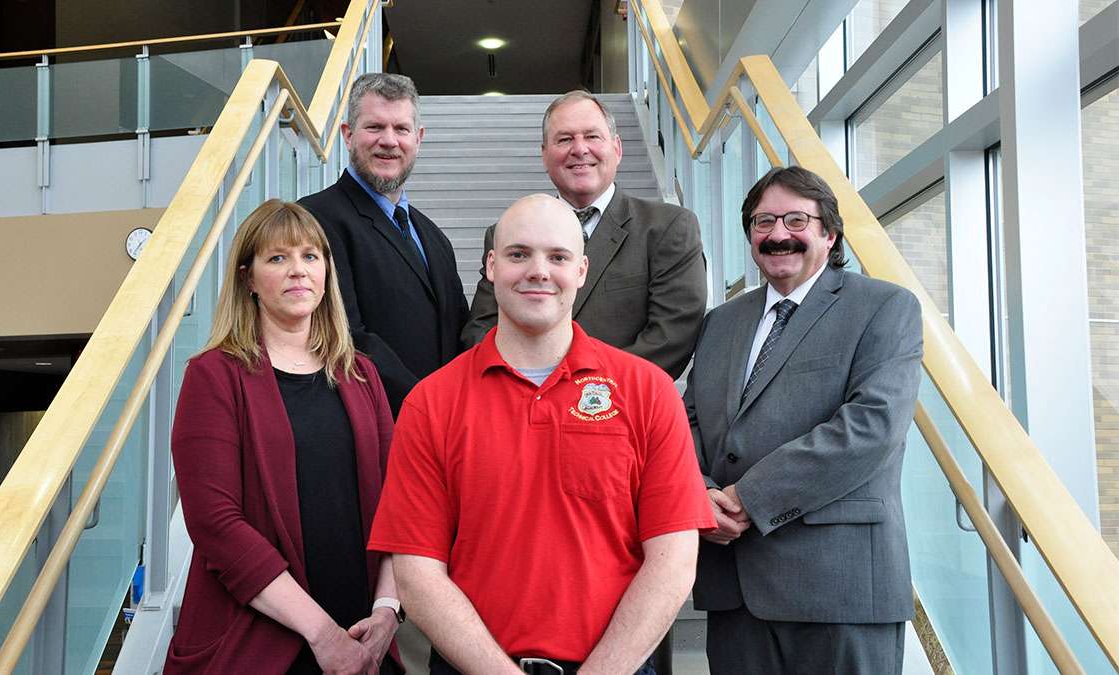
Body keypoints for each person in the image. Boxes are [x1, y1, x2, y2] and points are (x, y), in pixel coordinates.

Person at [368, 194, 715, 675]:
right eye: (518, 254)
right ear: (490, 266)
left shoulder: (646, 391)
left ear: (582, 270)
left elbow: (674, 559)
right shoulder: (431, 403)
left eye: (557, 257)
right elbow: (417, 571)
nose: (538, 271)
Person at [685, 166, 923, 674]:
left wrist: (749, 497)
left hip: (840, 586)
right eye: (763, 221)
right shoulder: (720, 322)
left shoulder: (884, 307)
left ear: (829, 232)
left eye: (796, 220)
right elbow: (686, 426)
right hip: (735, 587)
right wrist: (699, 495)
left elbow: (871, 427)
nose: (777, 235)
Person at [166, 200, 402, 674]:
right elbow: (216, 524)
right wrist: (322, 634)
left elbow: (400, 503)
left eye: (310, 256)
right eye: (277, 258)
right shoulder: (213, 376)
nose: (298, 270)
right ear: (248, 279)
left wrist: (388, 611)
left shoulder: (361, 375)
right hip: (261, 644)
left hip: (363, 638)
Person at [461, 90, 707, 381]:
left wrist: (574, 390)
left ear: (616, 148)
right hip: (520, 405)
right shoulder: (507, 233)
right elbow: (482, 329)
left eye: (592, 137)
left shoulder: (668, 228)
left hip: (618, 409)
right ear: (544, 154)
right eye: (565, 139)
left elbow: (671, 337)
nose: (579, 149)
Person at [298, 73, 468, 416]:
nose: (389, 141)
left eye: (401, 129)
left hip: (441, 429)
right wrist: (426, 406)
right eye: (374, 127)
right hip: (371, 425)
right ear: (348, 135)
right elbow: (344, 335)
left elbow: (457, 330)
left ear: (418, 139)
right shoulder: (314, 219)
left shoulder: (435, 238)